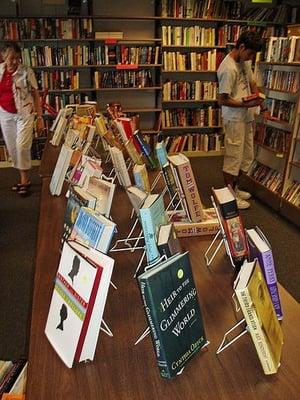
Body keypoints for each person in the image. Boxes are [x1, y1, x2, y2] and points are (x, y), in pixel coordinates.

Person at [217, 31, 264, 209]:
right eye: (250, 53)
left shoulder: (245, 61)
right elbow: (222, 99)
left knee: (247, 156)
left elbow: (252, 82)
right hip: (234, 119)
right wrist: (245, 105)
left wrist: (259, 100)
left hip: (246, 116)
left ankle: (234, 189)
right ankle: (229, 196)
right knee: (233, 157)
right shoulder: (228, 68)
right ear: (242, 47)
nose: (251, 57)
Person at [0, 42, 44, 196]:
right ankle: (23, 178)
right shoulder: (0, 71)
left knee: (21, 147)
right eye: (10, 58)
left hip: (24, 113)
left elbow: (36, 94)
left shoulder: (26, 71)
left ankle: (25, 180)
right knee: (12, 148)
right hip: (5, 114)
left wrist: (40, 117)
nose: (13, 62)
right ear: (3, 57)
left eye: (16, 58)